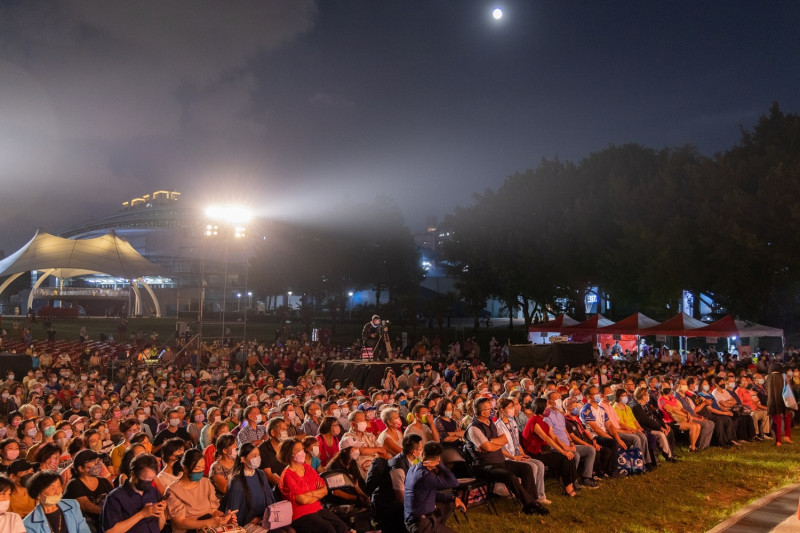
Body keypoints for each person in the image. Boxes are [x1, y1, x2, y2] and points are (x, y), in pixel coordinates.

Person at [464, 397, 548, 515]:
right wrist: (492, 444)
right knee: (509, 476)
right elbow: (489, 448)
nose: (492, 410)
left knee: (526, 468)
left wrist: (490, 442)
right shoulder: (474, 429)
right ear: (483, 413)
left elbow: (504, 440)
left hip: (500, 462)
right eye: (489, 409)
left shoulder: (491, 423)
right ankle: (531, 504)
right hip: (485, 466)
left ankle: (532, 502)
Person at [277, 437, 350, 533]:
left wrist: (309, 494)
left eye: (302, 449)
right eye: (298, 450)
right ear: (289, 454)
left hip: (317, 508)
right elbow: (302, 500)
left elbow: (324, 490)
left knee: (342, 526)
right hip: (300, 515)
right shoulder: (287, 475)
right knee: (328, 529)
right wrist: (316, 493)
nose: (302, 452)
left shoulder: (307, 467)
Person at [224, 442, 294, 533]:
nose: (257, 458)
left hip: (266, 517)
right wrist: (252, 519)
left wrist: (266, 517)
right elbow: (235, 511)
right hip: (249, 522)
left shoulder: (260, 474)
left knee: (291, 530)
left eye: (258, 455)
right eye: (254, 456)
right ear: (243, 459)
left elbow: (269, 498)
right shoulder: (237, 481)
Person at [164, 448, 237, 533]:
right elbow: (180, 522)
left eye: (202, 468)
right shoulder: (173, 490)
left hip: (208, 529)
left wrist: (224, 518)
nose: (200, 472)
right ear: (185, 468)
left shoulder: (206, 483)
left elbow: (213, 511)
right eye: (197, 468)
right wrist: (211, 522)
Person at [521, 398, 579, 497]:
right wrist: (563, 451)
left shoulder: (544, 420)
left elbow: (553, 437)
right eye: (546, 407)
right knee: (565, 458)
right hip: (535, 453)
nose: (548, 409)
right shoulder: (534, 421)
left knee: (570, 456)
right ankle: (569, 488)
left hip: (543, 450)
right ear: (541, 408)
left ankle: (571, 484)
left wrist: (565, 449)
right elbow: (547, 438)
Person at [403, 441, 465, 533]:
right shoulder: (425, 476)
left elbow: (429, 493)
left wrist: (452, 498)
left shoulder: (413, 469)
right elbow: (454, 482)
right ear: (438, 459)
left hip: (415, 520)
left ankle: (440, 525)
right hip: (421, 525)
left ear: (422, 453)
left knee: (448, 503)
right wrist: (440, 466)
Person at [101, 453, 167, 533]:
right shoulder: (115, 497)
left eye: (152, 479)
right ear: (133, 475)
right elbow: (110, 531)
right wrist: (141, 514)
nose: (149, 482)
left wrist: (161, 512)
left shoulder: (153, 492)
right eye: (146, 479)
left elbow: (158, 527)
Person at [22, 470, 91, 533]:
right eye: (52, 488)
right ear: (38, 495)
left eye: (58, 485)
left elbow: (84, 530)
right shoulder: (29, 524)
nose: (58, 491)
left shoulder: (72, 505)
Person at [63, 450, 113, 532]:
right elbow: (85, 505)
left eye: (98, 461)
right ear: (81, 468)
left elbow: (113, 499)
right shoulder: (74, 483)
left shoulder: (103, 481)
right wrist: (107, 513)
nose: (98, 464)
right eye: (93, 462)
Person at [766, 363, 793, 446]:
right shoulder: (784, 376)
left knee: (776, 420)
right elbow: (788, 388)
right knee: (787, 416)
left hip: (772, 401)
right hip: (783, 400)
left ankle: (778, 441)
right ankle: (787, 436)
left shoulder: (767, 377)